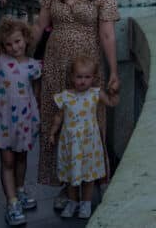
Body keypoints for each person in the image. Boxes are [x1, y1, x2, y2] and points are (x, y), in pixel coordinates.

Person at [32, 0, 120, 210]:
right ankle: (64, 184)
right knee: (56, 123)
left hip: (87, 69)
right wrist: (22, 55)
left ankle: (87, 184)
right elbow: (40, 25)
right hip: (56, 64)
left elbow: (107, 34)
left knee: (88, 127)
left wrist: (114, 70)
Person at [0, 17, 42, 226]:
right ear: (2, 45)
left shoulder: (34, 66)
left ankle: (20, 190)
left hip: (24, 121)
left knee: (22, 159)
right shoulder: (0, 61)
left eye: (17, 41)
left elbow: (36, 91)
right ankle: (12, 202)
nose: (14, 47)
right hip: (5, 121)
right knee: (7, 162)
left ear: (25, 39)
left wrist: (37, 116)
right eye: (8, 44)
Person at [48, 55, 118, 219]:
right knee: (71, 175)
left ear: (93, 78)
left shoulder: (95, 93)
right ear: (72, 77)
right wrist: (52, 132)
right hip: (71, 143)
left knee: (88, 176)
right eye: (79, 77)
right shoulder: (65, 96)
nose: (83, 81)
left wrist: (114, 91)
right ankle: (73, 202)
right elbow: (59, 116)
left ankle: (86, 204)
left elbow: (111, 102)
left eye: (87, 77)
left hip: (89, 143)